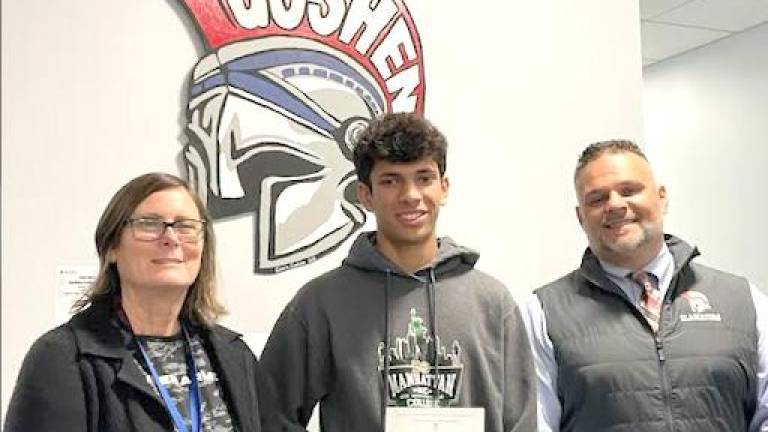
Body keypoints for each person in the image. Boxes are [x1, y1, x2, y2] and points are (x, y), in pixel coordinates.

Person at [259, 112, 537, 431]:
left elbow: (522, 422)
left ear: (443, 188)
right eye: (391, 180)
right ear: (366, 195)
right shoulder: (321, 303)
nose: (410, 196)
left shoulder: (493, 302)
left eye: (424, 177)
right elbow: (270, 412)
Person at [4, 172, 289, 432]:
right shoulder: (64, 359)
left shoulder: (235, 357)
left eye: (186, 226)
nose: (171, 238)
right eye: (149, 224)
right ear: (112, 246)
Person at [522, 140, 768, 432]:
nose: (615, 205)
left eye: (629, 190)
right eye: (597, 198)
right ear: (581, 216)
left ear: (662, 197)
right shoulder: (543, 313)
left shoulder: (743, 301)